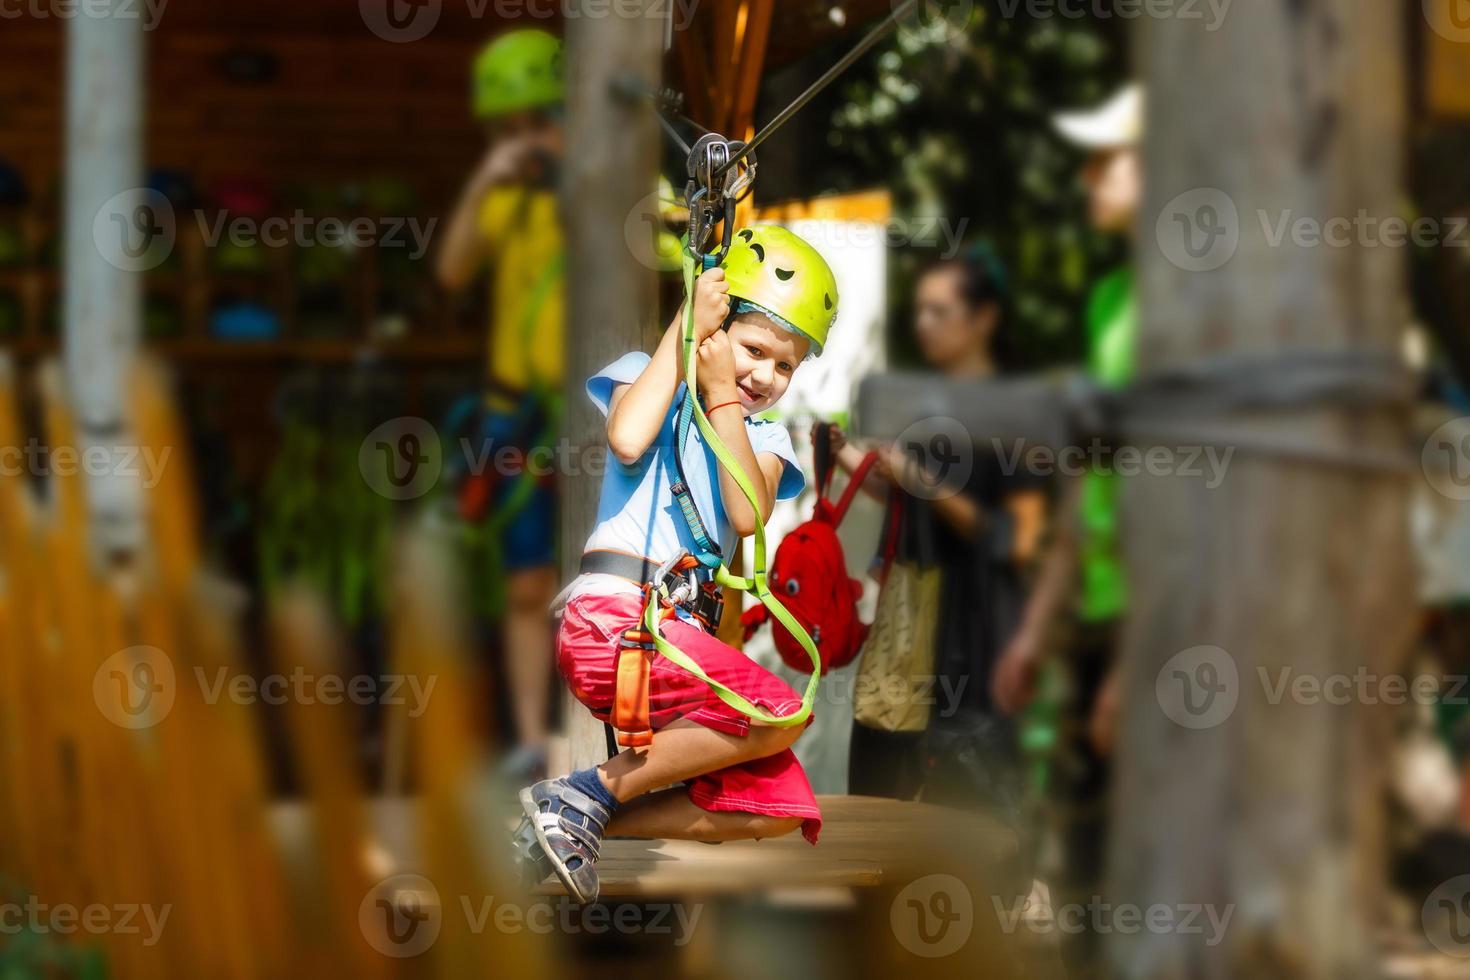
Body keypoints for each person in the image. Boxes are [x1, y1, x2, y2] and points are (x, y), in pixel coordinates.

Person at [515, 226, 841, 905]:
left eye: (785, 367)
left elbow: (746, 513)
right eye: (753, 350)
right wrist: (685, 328)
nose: (763, 376)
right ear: (717, 331)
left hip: (673, 642)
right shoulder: (652, 377)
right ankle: (582, 796)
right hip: (616, 620)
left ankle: (582, 815)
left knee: (778, 802)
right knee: (781, 713)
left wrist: (724, 393)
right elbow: (629, 437)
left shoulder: (762, 438)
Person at [989, 82, 1142, 979]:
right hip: (1097, 619)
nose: (1087, 176)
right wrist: (1042, 627)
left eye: (1107, 157)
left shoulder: (1196, 309)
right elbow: (1094, 480)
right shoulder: (1111, 298)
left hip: (1172, 632)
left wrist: (1140, 656)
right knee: (1085, 870)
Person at [435, 28, 566, 778]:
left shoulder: (610, 187)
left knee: (600, 581)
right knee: (524, 583)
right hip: (513, 411)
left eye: (537, 122)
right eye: (505, 130)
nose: (524, 141)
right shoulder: (506, 196)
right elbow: (453, 270)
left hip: (593, 414)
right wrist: (489, 176)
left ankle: (586, 740)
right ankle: (528, 738)